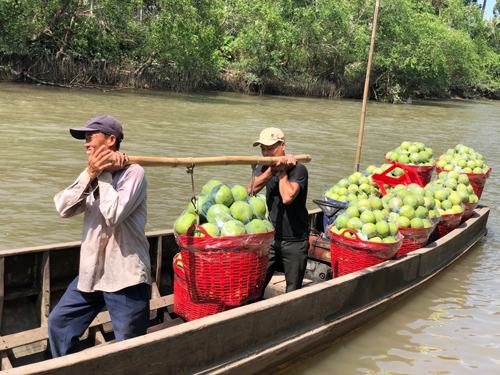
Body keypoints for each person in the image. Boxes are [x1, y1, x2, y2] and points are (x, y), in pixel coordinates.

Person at [49, 115, 151, 357]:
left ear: (111, 140)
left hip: (125, 277)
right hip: (92, 274)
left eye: (90, 137)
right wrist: (91, 174)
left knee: (128, 348)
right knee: (58, 323)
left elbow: (113, 214)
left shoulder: (134, 174)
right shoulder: (91, 173)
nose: (86, 144)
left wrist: (104, 175)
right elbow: (62, 207)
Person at [249, 127, 309, 293]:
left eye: (270, 148)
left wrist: (282, 170)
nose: (266, 153)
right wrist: (271, 170)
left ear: (282, 145)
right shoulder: (265, 167)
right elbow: (250, 190)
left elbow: (287, 197)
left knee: (292, 291)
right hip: (271, 238)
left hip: (295, 239)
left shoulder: (299, 169)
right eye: (263, 149)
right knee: (256, 285)